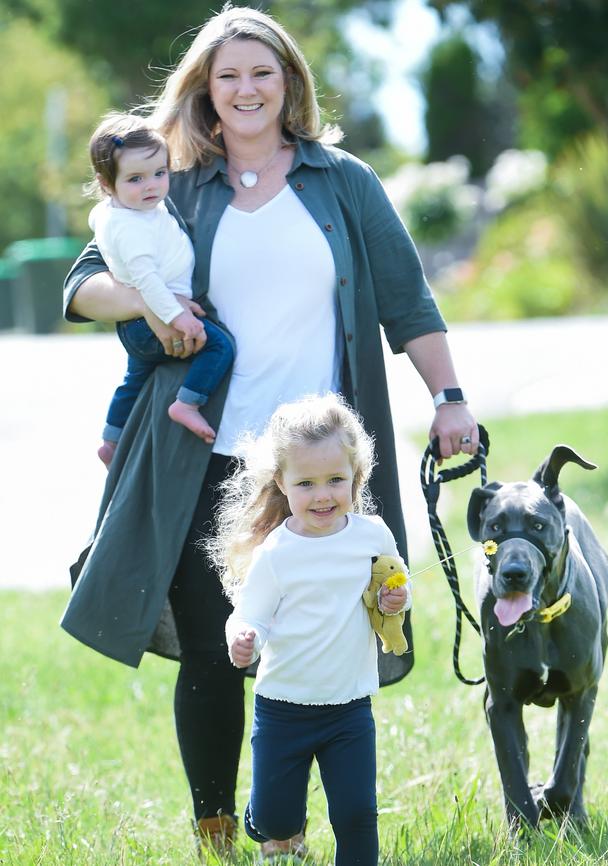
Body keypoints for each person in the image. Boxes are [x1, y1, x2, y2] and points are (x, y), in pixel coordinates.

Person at [60, 4, 478, 859]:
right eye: (227, 75)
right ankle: (217, 829)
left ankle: (303, 828)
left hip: (317, 465)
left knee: (320, 653)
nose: (246, 88)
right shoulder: (172, 182)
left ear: (288, 80)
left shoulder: (343, 181)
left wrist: (450, 396)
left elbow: (407, 300)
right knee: (220, 654)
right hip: (203, 456)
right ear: (205, 92)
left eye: (261, 71)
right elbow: (82, 286)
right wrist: (149, 300)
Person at [209, 393, 411, 866]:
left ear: (356, 476)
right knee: (278, 822)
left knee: (358, 813)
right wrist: (244, 640)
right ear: (281, 482)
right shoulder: (276, 553)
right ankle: (264, 820)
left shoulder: (373, 535)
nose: (323, 495)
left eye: (336, 480)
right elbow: (249, 616)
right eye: (307, 483)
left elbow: (395, 584)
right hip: (283, 709)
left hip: (349, 706)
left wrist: (395, 598)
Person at [87, 113, 234, 466]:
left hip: (135, 325)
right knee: (219, 346)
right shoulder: (132, 228)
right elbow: (146, 279)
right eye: (135, 179)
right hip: (154, 317)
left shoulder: (117, 211)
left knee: (134, 378)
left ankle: (111, 437)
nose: (151, 185)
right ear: (107, 184)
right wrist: (176, 315)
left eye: (159, 173)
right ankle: (187, 403)